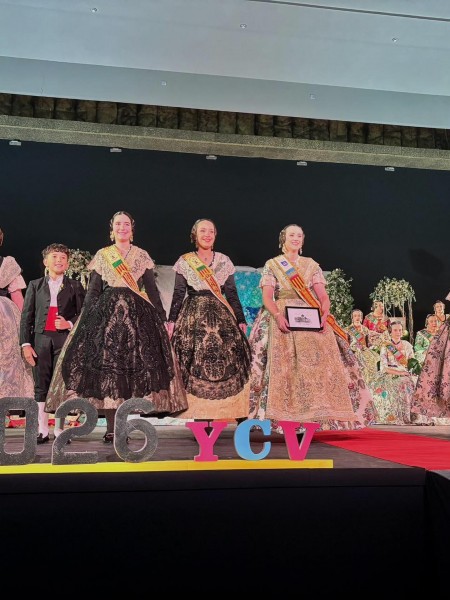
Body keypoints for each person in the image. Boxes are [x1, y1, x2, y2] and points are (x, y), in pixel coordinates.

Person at [45, 211, 187, 443]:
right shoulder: (103, 255)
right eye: (118, 224)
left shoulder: (142, 255)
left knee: (131, 373)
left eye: (126, 224)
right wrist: (84, 320)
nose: (122, 227)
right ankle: (111, 428)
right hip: (107, 317)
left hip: (137, 319)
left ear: (132, 228)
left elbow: (152, 290)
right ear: (112, 229)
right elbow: (93, 291)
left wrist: (162, 318)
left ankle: (124, 426)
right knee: (109, 374)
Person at [248, 224, 376, 432]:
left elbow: (323, 296)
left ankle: (317, 417)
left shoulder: (311, 265)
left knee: (322, 360)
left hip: (309, 316)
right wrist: (278, 316)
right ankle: (277, 417)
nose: (295, 238)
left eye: (299, 235)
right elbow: (267, 297)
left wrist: (324, 314)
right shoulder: (273, 264)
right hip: (281, 314)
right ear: (283, 239)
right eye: (291, 235)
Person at [167, 218, 251, 421]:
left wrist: (240, 319)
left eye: (211, 231)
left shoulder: (224, 260)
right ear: (195, 235)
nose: (207, 235)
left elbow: (231, 293)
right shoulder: (185, 261)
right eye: (202, 231)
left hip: (222, 315)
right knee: (194, 361)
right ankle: (201, 416)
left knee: (232, 357)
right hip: (193, 316)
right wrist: (172, 321)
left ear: (215, 235)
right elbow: (178, 293)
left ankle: (235, 412)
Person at [20, 243, 86, 443]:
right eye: (55, 257)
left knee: (60, 384)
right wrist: (25, 344)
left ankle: (59, 429)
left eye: (63, 258)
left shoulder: (75, 286)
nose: (59, 260)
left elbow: (84, 313)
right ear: (45, 262)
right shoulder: (35, 285)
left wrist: (68, 323)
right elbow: (26, 317)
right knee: (41, 384)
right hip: (40, 340)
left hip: (64, 340)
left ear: (67, 263)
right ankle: (42, 430)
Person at [0, 227, 34, 404]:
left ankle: (7, 404)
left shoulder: (8, 263)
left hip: (5, 316)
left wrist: (26, 326)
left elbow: (18, 297)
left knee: (7, 360)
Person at [410, 297, 450, 426]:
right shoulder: (423, 333)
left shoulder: (444, 329)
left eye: (435, 321)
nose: (434, 323)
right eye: (431, 321)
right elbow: (418, 348)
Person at [370, 320, 417, 424]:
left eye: (400, 330)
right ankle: (393, 415)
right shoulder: (386, 346)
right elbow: (383, 367)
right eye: (395, 330)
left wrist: (409, 371)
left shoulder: (407, 345)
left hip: (405, 372)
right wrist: (399, 373)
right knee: (398, 384)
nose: (398, 332)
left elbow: (412, 363)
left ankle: (411, 415)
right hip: (389, 373)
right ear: (390, 332)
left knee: (413, 383)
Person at [345, 308, 379, 387]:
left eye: (359, 316)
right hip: (353, 352)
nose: (357, 318)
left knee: (373, 360)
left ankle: (370, 385)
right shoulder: (347, 330)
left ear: (361, 318)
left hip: (364, 351)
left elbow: (368, 343)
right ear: (352, 318)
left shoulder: (365, 329)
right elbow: (346, 344)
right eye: (355, 316)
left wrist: (373, 345)